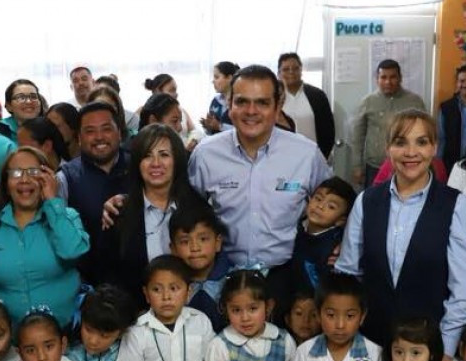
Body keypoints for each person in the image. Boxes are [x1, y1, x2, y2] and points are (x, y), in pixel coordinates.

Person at [337, 109, 466, 361]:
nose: (411, 152)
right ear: (388, 148)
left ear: (434, 147)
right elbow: (349, 273)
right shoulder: (366, 201)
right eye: (400, 142)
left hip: (426, 347)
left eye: (422, 142)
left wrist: (446, 349)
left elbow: (464, 290)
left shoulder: (457, 206)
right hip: (371, 341)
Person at [188, 64, 331, 292]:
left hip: (287, 278)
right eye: (242, 101)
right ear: (229, 104)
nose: (251, 111)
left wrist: (337, 242)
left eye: (262, 102)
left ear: (277, 107)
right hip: (222, 280)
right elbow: (187, 212)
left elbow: (336, 204)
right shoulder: (206, 154)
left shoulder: (306, 154)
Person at [0, 147, 89, 324]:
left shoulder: (67, 217)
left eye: (33, 172)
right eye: (15, 173)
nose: (24, 179)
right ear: (6, 183)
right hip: (8, 340)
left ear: (47, 179)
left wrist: (53, 201)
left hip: (64, 334)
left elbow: (73, 252)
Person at [100, 124, 204, 301]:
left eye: (164, 155)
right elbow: (110, 276)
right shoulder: (118, 212)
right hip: (136, 316)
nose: (156, 163)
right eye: (147, 156)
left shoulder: (197, 208)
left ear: (177, 160)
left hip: (194, 313)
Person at [57, 101, 131, 263]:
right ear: (79, 138)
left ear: (119, 133)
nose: (99, 137)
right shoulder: (65, 178)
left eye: (106, 129)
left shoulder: (140, 167)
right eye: (90, 131)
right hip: (89, 281)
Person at [351, 59, 427, 186]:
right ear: (377, 79)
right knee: (374, 203)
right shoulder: (368, 102)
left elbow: (425, 135)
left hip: (407, 166)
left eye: (393, 77)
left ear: (400, 78)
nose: (388, 82)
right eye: (383, 77)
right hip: (375, 167)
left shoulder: (415, 102)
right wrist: (357, 166)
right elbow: (357, 137)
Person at [169, 201, 232, 332]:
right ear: (173, 249)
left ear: (218, 243)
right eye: (185, 241)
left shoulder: (235, 281)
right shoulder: (168, 285)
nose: (195, 248)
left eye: (203, 239)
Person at [290, 177, 356, 296]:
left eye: (331, 207)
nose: (320, 206)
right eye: (318, 198)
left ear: (341, 220)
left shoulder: (334, 247)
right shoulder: (297, 227)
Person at [278, 53, 335, 159]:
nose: (291, 72)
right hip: (282, 158)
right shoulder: (274, 98)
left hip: (313, 157)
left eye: (295, 68)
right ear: (279, 73)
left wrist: (322, 157)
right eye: (286, 69)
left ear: (301, 70)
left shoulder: (317, 95)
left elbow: (328, 130)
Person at [437, 64, 466, 169]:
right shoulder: (446, 107)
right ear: (457, 83)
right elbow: (441, 138)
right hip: (451, 163)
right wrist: (439, 163)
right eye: (462, 81)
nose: (465, 84)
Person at [143, 73, 201, 146]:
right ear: (157, 91)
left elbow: (194, 131)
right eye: (172, 90)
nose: (176, 94)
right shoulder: (143, 111)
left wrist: (193, 140)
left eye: (176, 90)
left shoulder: (181, 110)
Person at [202, 61, 239, 135]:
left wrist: (220, 126)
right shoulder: (215, 100)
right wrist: (208, 126)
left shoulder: (239, 102)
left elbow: (243, 131)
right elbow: (211, 132)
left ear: (229, 78)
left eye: (216, 77)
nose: (213, 81)